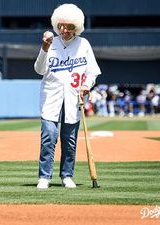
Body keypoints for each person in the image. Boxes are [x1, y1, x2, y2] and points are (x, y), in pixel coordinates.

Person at [34, 4, 101, 189]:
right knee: (49, 136)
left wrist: (87, 85)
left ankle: (66, 176)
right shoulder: (50, 43)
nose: (64, 30)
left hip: (74, 98)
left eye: (69, 26)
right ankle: (44, 177)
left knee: (70, 140)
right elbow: (39, 70)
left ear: (77, 28)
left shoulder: (84, 44)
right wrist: (44, 48)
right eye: (61, 25)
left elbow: (92, 72)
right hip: (51, 97)